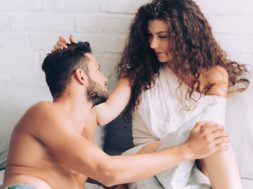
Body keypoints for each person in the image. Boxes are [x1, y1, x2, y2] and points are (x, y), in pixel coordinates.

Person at [53, 1, 249, 188]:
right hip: (144, 157)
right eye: (150, 36)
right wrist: (70, 64)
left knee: (217, 141)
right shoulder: (138, 72)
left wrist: (193, 155)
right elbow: (103, 114)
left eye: (162, 36)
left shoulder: (213, 75)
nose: (153, 44)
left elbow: (212, 132)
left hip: (191, 157)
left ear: (185, 36)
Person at [3, 42, 228, 189]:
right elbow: (108, 170)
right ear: (81, 76)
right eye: (98, 69)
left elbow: (94, 170)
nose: (104, 78)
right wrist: (187, 150)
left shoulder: (87, 120)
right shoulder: (44, 112)